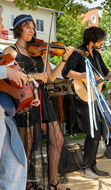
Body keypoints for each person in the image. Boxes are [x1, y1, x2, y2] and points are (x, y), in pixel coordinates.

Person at [3, 14, 74, 190]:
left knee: (57, 139)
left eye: (33, 27)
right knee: (27, 146)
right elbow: (7, 78)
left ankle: (53, 182)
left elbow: (50, 77)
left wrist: (64, 59)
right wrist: (32, 76)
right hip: (24, 98)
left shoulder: (40, 50)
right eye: (28, 26)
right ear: (19, 28)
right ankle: (26, 184)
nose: (32, 30)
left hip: (41, 96)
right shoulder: (10, 51)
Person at [62, 26, 111, 179]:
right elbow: (66, 72)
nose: (102, 43)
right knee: (93, 133)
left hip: (95, 98)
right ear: (91, 40)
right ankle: (86, 168)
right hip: (82, 97)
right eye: (100, 40)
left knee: (99, 132)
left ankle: (92, 166)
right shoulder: (78, 52)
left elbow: (106, 74)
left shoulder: (96, 54)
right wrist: (85, 75)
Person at [0, 6, 40, 190]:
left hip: (5, 115)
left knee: (17, 164)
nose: (2, 24)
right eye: (0, 20)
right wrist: (4, 70)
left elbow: (13, 79)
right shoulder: (10, 50)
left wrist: (29, 90)